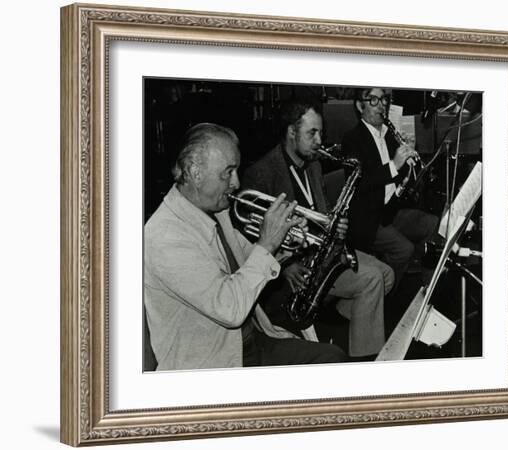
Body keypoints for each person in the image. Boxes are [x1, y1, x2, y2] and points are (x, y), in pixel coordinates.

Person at [144, 123, 346, 370]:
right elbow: (230, 309)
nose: (236, 182)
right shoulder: (166, 235)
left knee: (332, 358)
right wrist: (267, 242)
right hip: (212, 362)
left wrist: (286, 243)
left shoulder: (215, 212)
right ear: (195, 172)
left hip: (251, 340)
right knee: (329, 364)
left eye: (236, 170)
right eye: (227, 172)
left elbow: (250, 259)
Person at [242, 101, 394, 360]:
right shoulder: (262, 173)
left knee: (387, 274)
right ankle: (365, 360)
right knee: (371, 280)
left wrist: (335, 222)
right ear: (291, 132)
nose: (319, 140)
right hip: (297, 265)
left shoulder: (312, 163)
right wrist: (286, 266)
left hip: (322, 252)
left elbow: (319, 211)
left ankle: (336, 317)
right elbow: (247, 236)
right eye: (312, 133)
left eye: (320, 133)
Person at [342, 87, 439, 287]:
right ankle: (382, 289)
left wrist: (410, 156)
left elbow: (402, 178)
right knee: (404, 250)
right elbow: (360, 183)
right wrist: (394, 164)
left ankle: (425, 289)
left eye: (384, 99)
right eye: (374, 100)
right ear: (360, 106)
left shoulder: (388, 135)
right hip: (368, 218)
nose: (382, 105)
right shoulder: (352, 140)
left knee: (432, 224)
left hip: (391, 211)